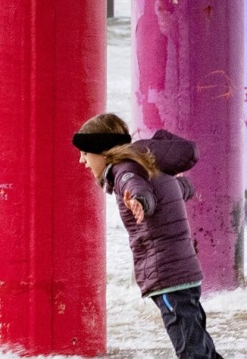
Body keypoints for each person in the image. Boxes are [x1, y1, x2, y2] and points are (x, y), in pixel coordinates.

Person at [73, 112, 223, 359]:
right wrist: (172, 190)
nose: (82, 161)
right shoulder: (150, 166)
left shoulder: (125, 171)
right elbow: (181, 189)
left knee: (191, 351)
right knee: (200, 345)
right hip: (183, 272)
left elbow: (137, 189)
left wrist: (139, 201)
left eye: (85, 153)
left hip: (167, 275)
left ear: (101, 151)